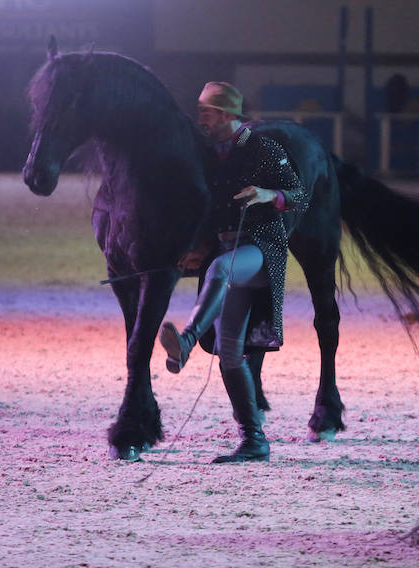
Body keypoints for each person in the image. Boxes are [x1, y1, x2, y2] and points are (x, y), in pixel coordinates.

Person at [159, 81, 307, 463]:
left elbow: (299, 195)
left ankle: (188, 339)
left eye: (205, 112)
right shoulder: (212, 155)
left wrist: (267, 195)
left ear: (226, 115)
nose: (200, 120)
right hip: (227, 250)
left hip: (262, 249)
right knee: (229, 352)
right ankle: (254, 440)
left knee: (222, 269)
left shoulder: (263, 147)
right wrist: (199, 249)